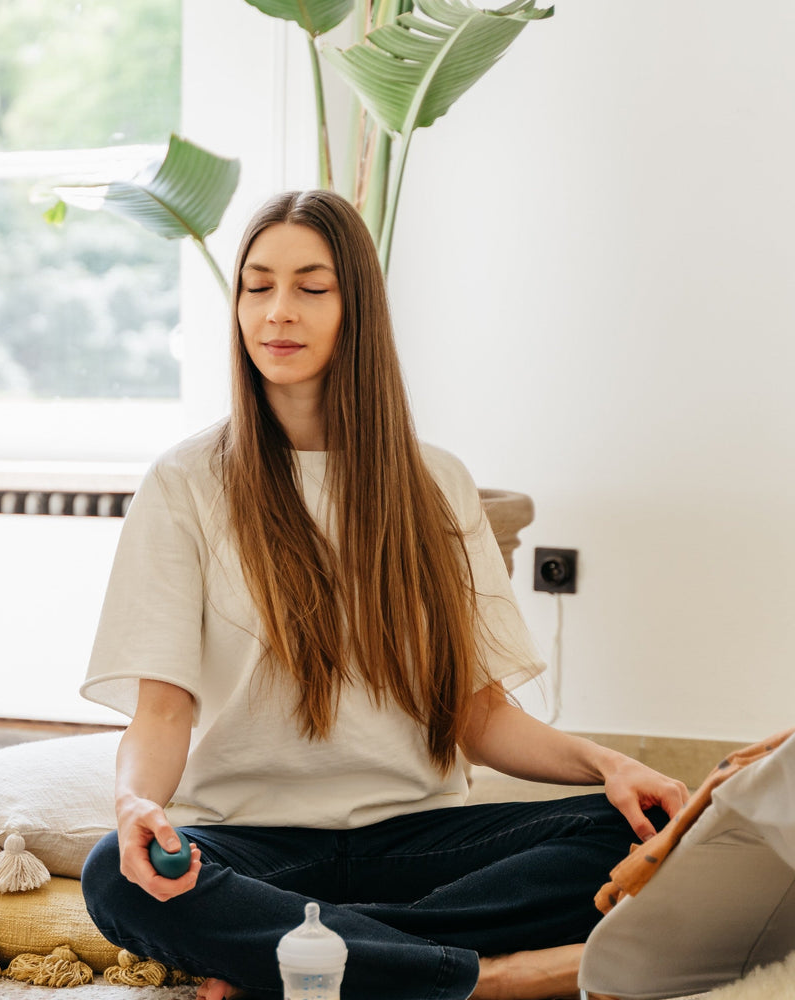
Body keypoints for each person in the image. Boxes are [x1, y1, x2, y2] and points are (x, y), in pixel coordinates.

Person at [77, 190, 688, 1000]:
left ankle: (298, 954)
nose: (277, 312)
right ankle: (488, 977)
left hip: (421, 838)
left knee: (647, 831)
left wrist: (607, 764)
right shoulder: (186, 482)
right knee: (114, 879)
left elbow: (477, 713)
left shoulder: (436, 483)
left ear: (356, 306)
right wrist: (132, 809)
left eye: (311, 287)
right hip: (257, 844)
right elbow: (162, 712)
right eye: (257, 287)